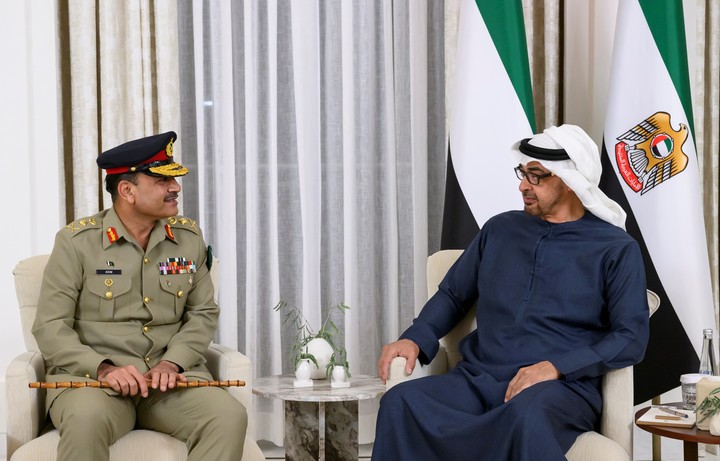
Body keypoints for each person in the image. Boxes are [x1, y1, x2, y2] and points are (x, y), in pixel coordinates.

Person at [372, 124, 650, 460]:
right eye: (523, 173)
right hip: (478, 378)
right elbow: (453, 295)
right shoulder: (499, 229)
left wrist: (556, 367)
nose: (523, 185)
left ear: (570, 181)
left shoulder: (616, 248)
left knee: (526, 417)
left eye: (536, 177)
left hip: (559, 389)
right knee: (400, 401)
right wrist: (416, 337)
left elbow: (630, 337)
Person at [32, 131, 247, 461]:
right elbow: (50, 326)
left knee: (228, 416)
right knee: (86, 421)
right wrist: (103, 369)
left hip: (169, 383)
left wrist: (172, 362)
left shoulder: (188, 238)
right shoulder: (77, 242)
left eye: (173, 179)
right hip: (95, 383)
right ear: (127, 190)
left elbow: (203, 314)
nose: (175, 188)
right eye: (162, 181)